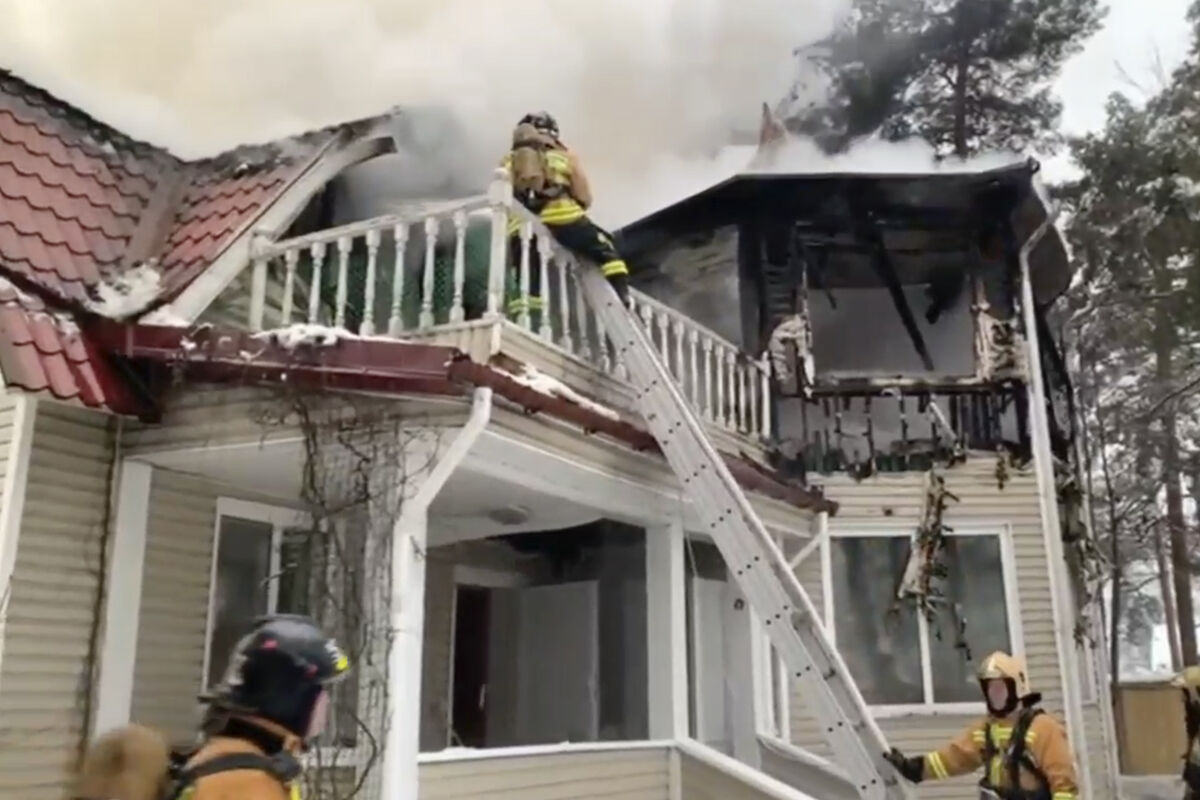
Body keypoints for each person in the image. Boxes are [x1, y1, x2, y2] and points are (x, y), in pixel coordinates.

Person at [74, 614, 350, 800]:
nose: (325, 703)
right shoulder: (248, 784)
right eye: (319, 691)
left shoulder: (224, 758)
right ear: (289, 695)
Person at [883, 650, 1078, 800]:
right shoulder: (986, 730)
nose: (994, 695)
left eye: (1000, 688)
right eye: (990, 689)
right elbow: (953, 758)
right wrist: (914, 768)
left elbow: (1064, 784)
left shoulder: (1042, 728)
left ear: (1017, 688)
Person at [500, 111, 630, 322]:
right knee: (606, 251)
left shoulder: (508, 161)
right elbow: (584, 197)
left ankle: (527, 321)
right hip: (564, 217)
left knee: (527, 280)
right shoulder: (565, 157)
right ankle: (623, 298)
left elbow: (502, 196)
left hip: (522, 227)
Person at [1173, 665, 1200, 799]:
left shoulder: (1194, 707)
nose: (1181, 697)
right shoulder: (1193, 707)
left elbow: (1192, 729)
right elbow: (1192, 731)